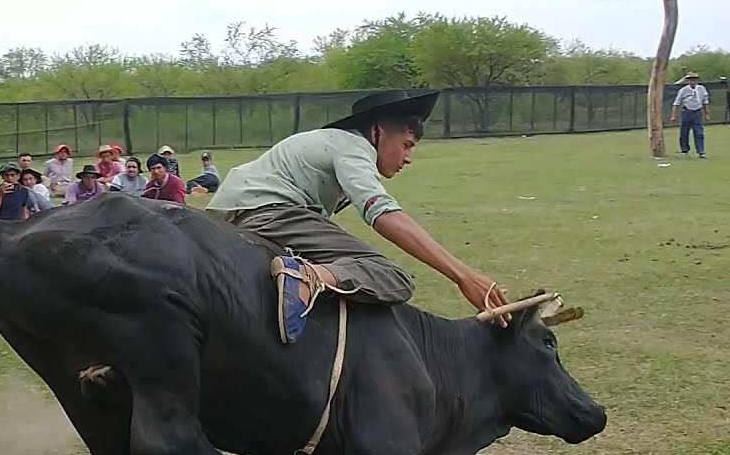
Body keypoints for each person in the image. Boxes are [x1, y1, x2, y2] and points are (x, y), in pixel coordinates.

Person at [207, 89, 510, 344]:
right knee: (390, 276)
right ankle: (303, 277)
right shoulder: (353, 147)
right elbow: (383, 214)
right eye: (406, 145)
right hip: (268, 212)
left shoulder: (331, 142)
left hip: (236, 214)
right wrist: (465, 276)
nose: (408, 158)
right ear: (377, 131)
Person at [670, 71, 710, 158]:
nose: (693, 82)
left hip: (697, 112)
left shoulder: (702, 89)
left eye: (694, 80)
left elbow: (705, 101)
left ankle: (701, 151)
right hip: (686, 112)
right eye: (691, 80)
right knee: (684, 132)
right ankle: (685, 149)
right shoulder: (683, 90)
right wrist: (674, 115)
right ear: (688, 81)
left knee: (699, 132)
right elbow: (676, 103)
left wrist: (707, 113)